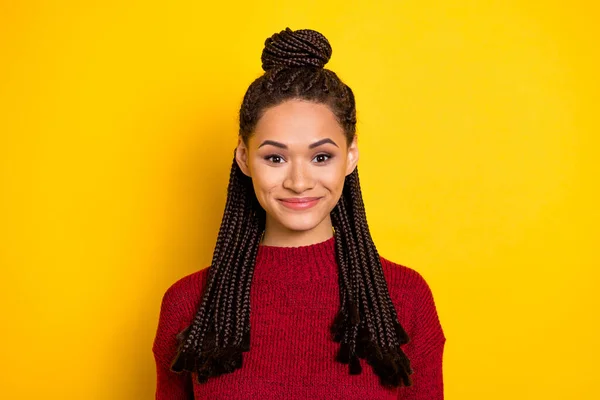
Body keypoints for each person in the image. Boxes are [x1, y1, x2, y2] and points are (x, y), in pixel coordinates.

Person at [152, 27, 446, 399]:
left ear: (351, 154)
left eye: (321, 156)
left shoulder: (405, 297)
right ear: (244, 157)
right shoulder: (188, 302)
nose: (298, 181)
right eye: (275, 157)